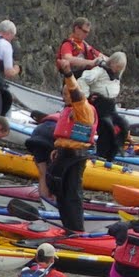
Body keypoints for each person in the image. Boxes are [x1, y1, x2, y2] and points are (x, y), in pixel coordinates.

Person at [44, 77, 98, 234]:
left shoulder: (83, 108)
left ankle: (76, 229)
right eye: (63, 94)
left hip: (75, 156)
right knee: (59, 190)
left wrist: (68, 74)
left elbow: (76, 93)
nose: (64, 97)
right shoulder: (68, 109)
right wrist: (57, 148)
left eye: (67, 94)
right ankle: (68, 227)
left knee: (72, 194)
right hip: (64, 153)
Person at [78, 51, 128, 162]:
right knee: (107, 127)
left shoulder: (116, 76)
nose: (117, 69)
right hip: (98, 105)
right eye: (117, 66)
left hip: (110, 106)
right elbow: (82, 80)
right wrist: (86, 97)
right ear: (112, 62)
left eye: (120, 68)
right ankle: (101, 154)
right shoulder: (100, 71)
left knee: (122, 126)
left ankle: (113, 152)